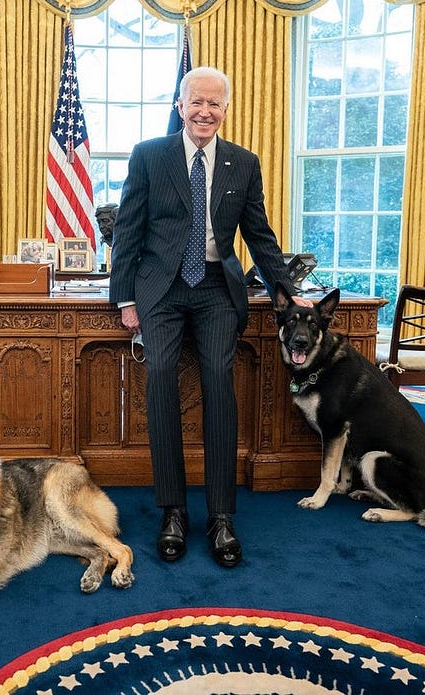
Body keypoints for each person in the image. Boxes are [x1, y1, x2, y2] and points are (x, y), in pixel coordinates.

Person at [109, 66, 300, 568]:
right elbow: (127, 230)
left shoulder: (243, 163)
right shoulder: (150, 156)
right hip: (161, 288)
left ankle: (221, 516)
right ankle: (172, 511)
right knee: (161, 376)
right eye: (197, 102)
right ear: (180, 105)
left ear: (225, 110)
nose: (205, 112)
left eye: (215, 104)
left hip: (217, 286)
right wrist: (125, 298)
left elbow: (259, 236)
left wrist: (286, 293)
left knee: (219, 377)